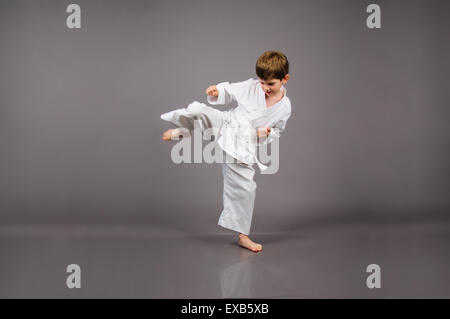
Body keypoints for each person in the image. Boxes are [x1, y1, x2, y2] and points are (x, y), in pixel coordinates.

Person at [161, 51, 291, 252]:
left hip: (244, 141)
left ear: (285, 79)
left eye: (270, 84)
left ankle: (243, 236)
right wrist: (217, 92)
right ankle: (184, 131)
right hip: (229, 121)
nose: (264, 87)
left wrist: (266, 133)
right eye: (261, 82)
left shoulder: (285, 107)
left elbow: (278, 131)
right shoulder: (252, 86)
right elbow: (230, 90)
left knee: (245, 189)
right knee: (201, 113)